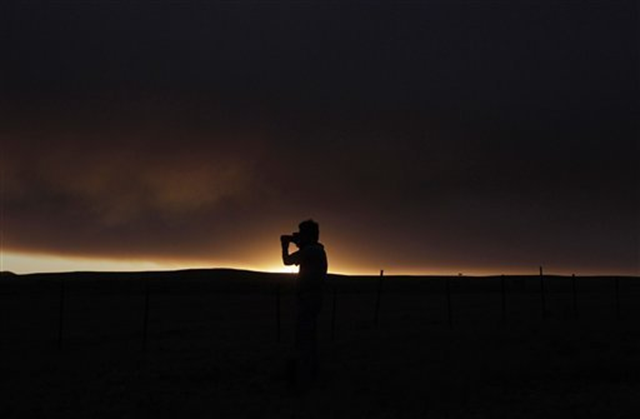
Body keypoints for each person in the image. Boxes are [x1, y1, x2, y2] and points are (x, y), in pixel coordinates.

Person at [281, 219, 328, 390]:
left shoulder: (310, 251)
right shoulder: (318, 251)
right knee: (310, 337)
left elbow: (287, 261)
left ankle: (303, 376)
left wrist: (285, 245)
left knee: (303, 337)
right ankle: (312, 371)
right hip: (314, 298)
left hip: (308, 299)